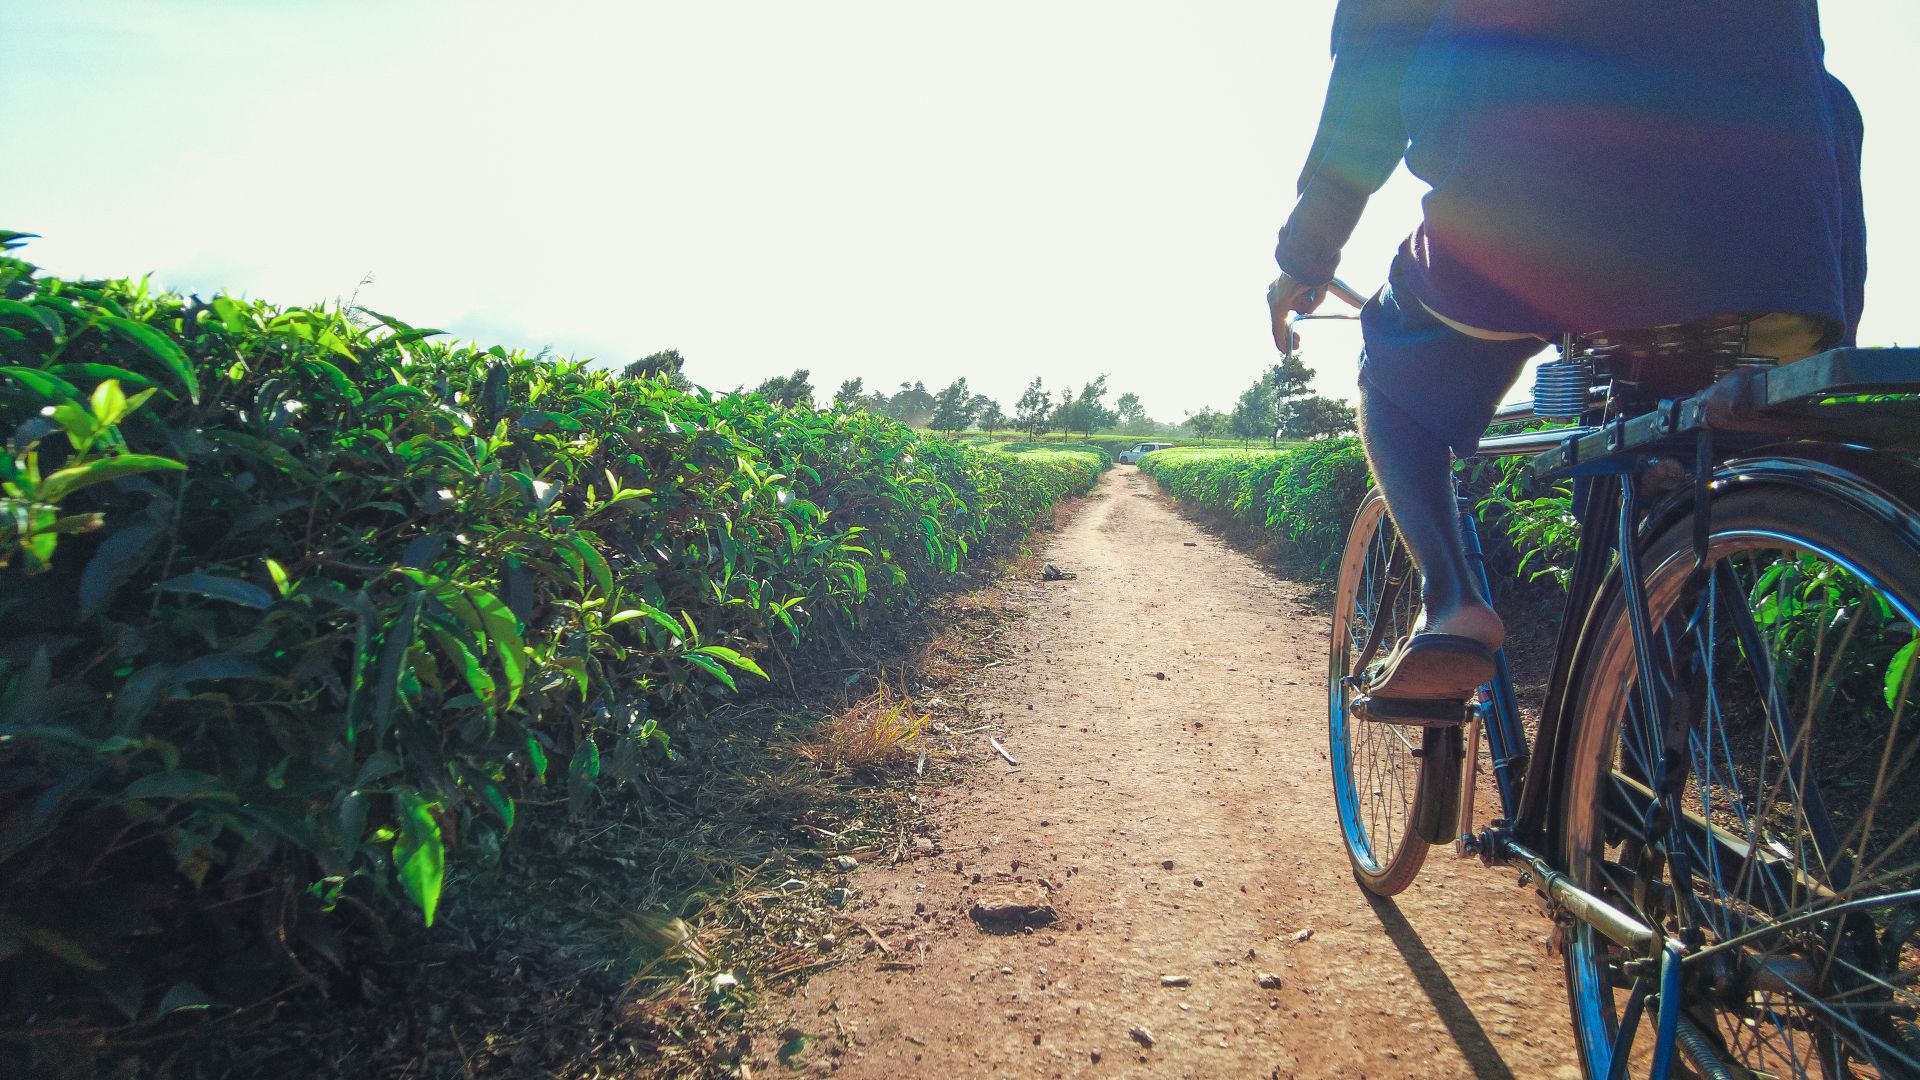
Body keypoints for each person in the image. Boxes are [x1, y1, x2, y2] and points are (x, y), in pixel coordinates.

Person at [1267, 0, 1866, 706]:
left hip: (1537, 206)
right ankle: (1635, 762)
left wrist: (1306, 254)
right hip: (1787, 245)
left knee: (1390, 371)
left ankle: (1453, 602)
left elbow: (1374, 67)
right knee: (1655, 483)